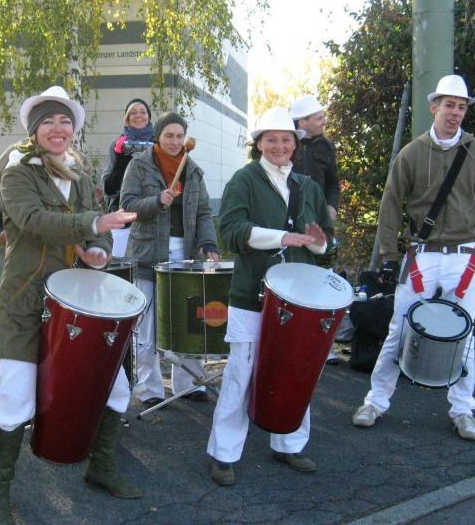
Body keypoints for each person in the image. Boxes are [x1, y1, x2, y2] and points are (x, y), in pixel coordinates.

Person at [0, 86, 140, 524]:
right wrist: (93, 224)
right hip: (26, 300)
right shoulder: (19, 172)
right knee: (15, 396)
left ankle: (101, 467)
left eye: (65, 122)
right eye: (49, 122)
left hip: (78, 303)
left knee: (116, 388)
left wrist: (98, 251)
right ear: (35, 130)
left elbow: (99, 232)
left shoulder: (82, 175)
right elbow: (33, 222)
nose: (58, 129)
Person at [351, 74, 475, 441]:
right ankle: (375, 401)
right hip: (421, 257)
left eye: (462, 107)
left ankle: (463, 410)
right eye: (449, 105)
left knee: (464, 335)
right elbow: (390, 207)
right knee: (399, 328)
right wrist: (389, 256)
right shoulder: (412, 154)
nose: (456, 113)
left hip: (464, 258)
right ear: (434, 107)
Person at [206, 106, 333, 486]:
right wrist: (281, 237)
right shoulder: (243, 180)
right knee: (241, 372)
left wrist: (319, 243)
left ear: (296, 144)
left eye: (286, 140)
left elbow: (325, 244)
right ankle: (224, 453)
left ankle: (289, 443)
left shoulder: (308, 186)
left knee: (296, 369)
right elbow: (230, 231)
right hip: (250, 294)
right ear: (259, 143)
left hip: (299, 298)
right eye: (271, 139)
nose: (280, 146)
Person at [119, 112, 220, 405]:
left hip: (186, 255)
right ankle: (149, 388)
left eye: (179, 136)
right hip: (148, 253)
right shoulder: (139, 165)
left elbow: (204, 213)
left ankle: (189, 384)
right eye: (169, 136)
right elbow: (126, 206)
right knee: (147, 326)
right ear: (158, 136)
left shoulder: (193, 171)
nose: (175, 142)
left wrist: (209, 242)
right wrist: (156, 201)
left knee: (189, 321)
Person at [290, 95, 343, 363]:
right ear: (302, 122)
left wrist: (332, 207)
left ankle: (323, 344)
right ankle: (292, 339)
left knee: (323, 278)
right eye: (319, 118)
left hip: (321, 224)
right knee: (293, 279)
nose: (324, 122)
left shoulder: (326, 147)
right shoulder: (287, 143)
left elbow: (333, 182)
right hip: (289, 223)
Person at [100, 98, 155, 256]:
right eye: (133, 112)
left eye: (143, 112)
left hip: (151, 213)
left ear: (149, 116)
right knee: (119, 262)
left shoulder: (159, 143)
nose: (138, 116)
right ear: (127, 117)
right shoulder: (117, 144)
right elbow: (108, 188)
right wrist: (119, 162)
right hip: (122, 213)